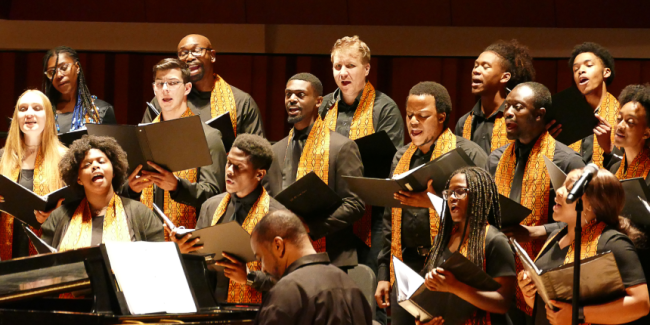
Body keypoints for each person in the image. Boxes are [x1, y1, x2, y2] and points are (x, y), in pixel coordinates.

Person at [375, 82, 488, 324]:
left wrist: (433, 203)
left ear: (441, 117)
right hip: (405, 267)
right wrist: (384, 273)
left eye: (422, 116)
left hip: (449, 269)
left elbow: (483, 215)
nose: (413, 121)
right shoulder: (401, 156)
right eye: (409, 115)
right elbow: (389, 218)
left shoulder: (469, 154)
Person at [485, 82, 585, 322]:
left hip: (546, 274)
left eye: (517, 107)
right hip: (499, 272)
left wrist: (536, 232)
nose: (508, 113)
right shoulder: (496, 159)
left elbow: (584, 222)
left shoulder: (568, 161)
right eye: (507, 106)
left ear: (540, 115)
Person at [319, 37, 404, 304]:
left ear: (366, 69)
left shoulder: (384, 107)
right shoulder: (325, 107)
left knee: (366, 298)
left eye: (351, 66)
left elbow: (393, 162)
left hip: (372, 215)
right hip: (333, 213)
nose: (342, 73)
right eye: (337, 66)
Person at [517, 168, 649, 325]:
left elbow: (641, 304)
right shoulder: (555, 237)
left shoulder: (613, 243)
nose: (558, 191)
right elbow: (555, 310)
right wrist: (530, 294)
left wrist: (579, 314)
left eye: (569, 189)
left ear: (591, 205)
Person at [264, 73, 365, 270]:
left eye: (300, 95)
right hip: (285, 258)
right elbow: (268, 201)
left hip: (333, 259)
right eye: (288, 95)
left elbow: (355, 204)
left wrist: (310, 227)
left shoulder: (342, 147)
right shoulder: (275, 151)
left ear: (319, 101)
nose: (292, 99)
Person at [174, 134, 284, 304]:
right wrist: (184, 250)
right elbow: (199, 265)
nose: (229, 171)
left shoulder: (277, 217)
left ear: (259, 174)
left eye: (238, 166)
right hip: (211, 308)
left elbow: (287, 278)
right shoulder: (211, 206)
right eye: (228, 163)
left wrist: (249, 277)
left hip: (256, 313)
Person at [125, 58, 227, 239]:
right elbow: (122, 194)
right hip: (144, 241)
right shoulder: (142, 136)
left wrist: (177, 186)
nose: (165, 89)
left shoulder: (209, 136)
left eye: (172, 83)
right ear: (154, 89)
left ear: (187, 88)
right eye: (160, 83)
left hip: (190, 242)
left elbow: (215, 197)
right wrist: (132, 189)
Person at [410, 167, 516, 325]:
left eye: (460, 191)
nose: (452, 197)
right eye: (448, 193)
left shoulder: (494, 240)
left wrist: (454, 287)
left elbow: (503, 303)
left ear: (480, 196)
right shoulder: (442, 240)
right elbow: (431, 294)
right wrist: (424, 319)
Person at [251, 210, 372, 325]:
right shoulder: (352, 286)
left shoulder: (286, 292)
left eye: (260, 258)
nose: (263, 269)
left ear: (278, 245)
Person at [41, 135, 164, 250]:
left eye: (101, 161)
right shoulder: (58, 217)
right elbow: (45, 265)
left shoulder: (141, 213)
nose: (95, 166)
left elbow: (159, 260)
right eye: (87, 165)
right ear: (78, 179)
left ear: (114, 171)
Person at [141, 34, 265, 137]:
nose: (189, 57)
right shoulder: (164, 99)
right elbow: (144, 144)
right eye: (183, 53)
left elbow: (256, 154)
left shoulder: (241, 102)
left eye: (196, 50)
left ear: (212, 56)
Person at [0, 90, 68, 259]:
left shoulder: (65, 158)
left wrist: (56, 215)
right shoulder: (2, 158)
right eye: (23, 109)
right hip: (7, 253)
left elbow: (82, 209)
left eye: (37, 108)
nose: (29, 113)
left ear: (48, 116)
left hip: (49, 250)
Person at [455, 39, 536, 154]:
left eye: (485, 66)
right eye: (476, 65)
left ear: (505, 77)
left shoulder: (517, 118)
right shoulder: (464, 122)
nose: (476, 71)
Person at [550, 42, 620, 167]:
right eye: (575, 69)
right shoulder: (565, 115)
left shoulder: (622, 116)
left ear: (606, 72)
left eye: (588, 65)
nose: (581, 71)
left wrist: (609, 147)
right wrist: (548, 141)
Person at [42, 46, 116, 133]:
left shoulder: (102, 110)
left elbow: (113, 145)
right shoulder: (43, 112)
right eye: (52, 72)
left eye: (64, 68)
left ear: (77, 67)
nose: (58, 75)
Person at [609, 84, 650, 181]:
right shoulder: (614, 169)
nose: (620, 126)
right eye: (619, 119)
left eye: (630, 122)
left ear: (646, 133)